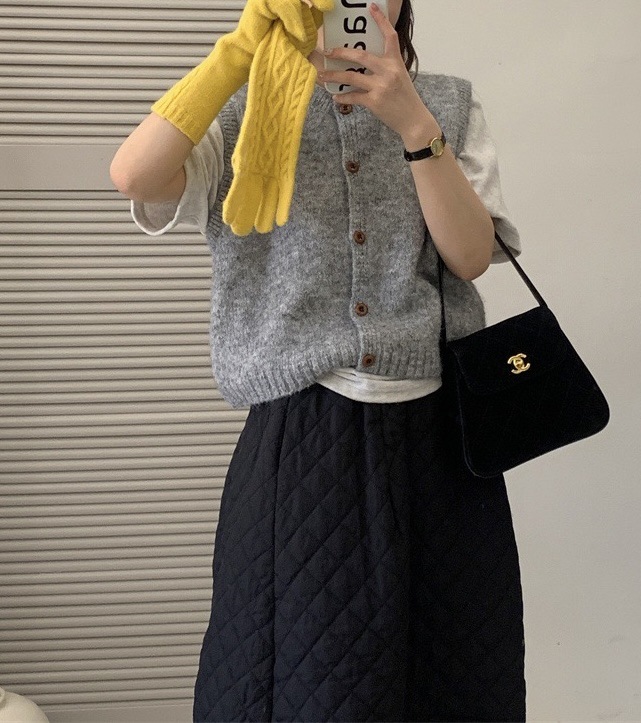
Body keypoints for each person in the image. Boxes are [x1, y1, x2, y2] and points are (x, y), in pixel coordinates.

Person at [110, 1, 526, 720]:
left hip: (441, 446)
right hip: (301, 447)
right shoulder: (242, 112)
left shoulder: (448, 105)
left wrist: (414, 125)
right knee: (309, 686)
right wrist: (241, 50)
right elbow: (134, 177)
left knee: (450, 675)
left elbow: (468, 256)